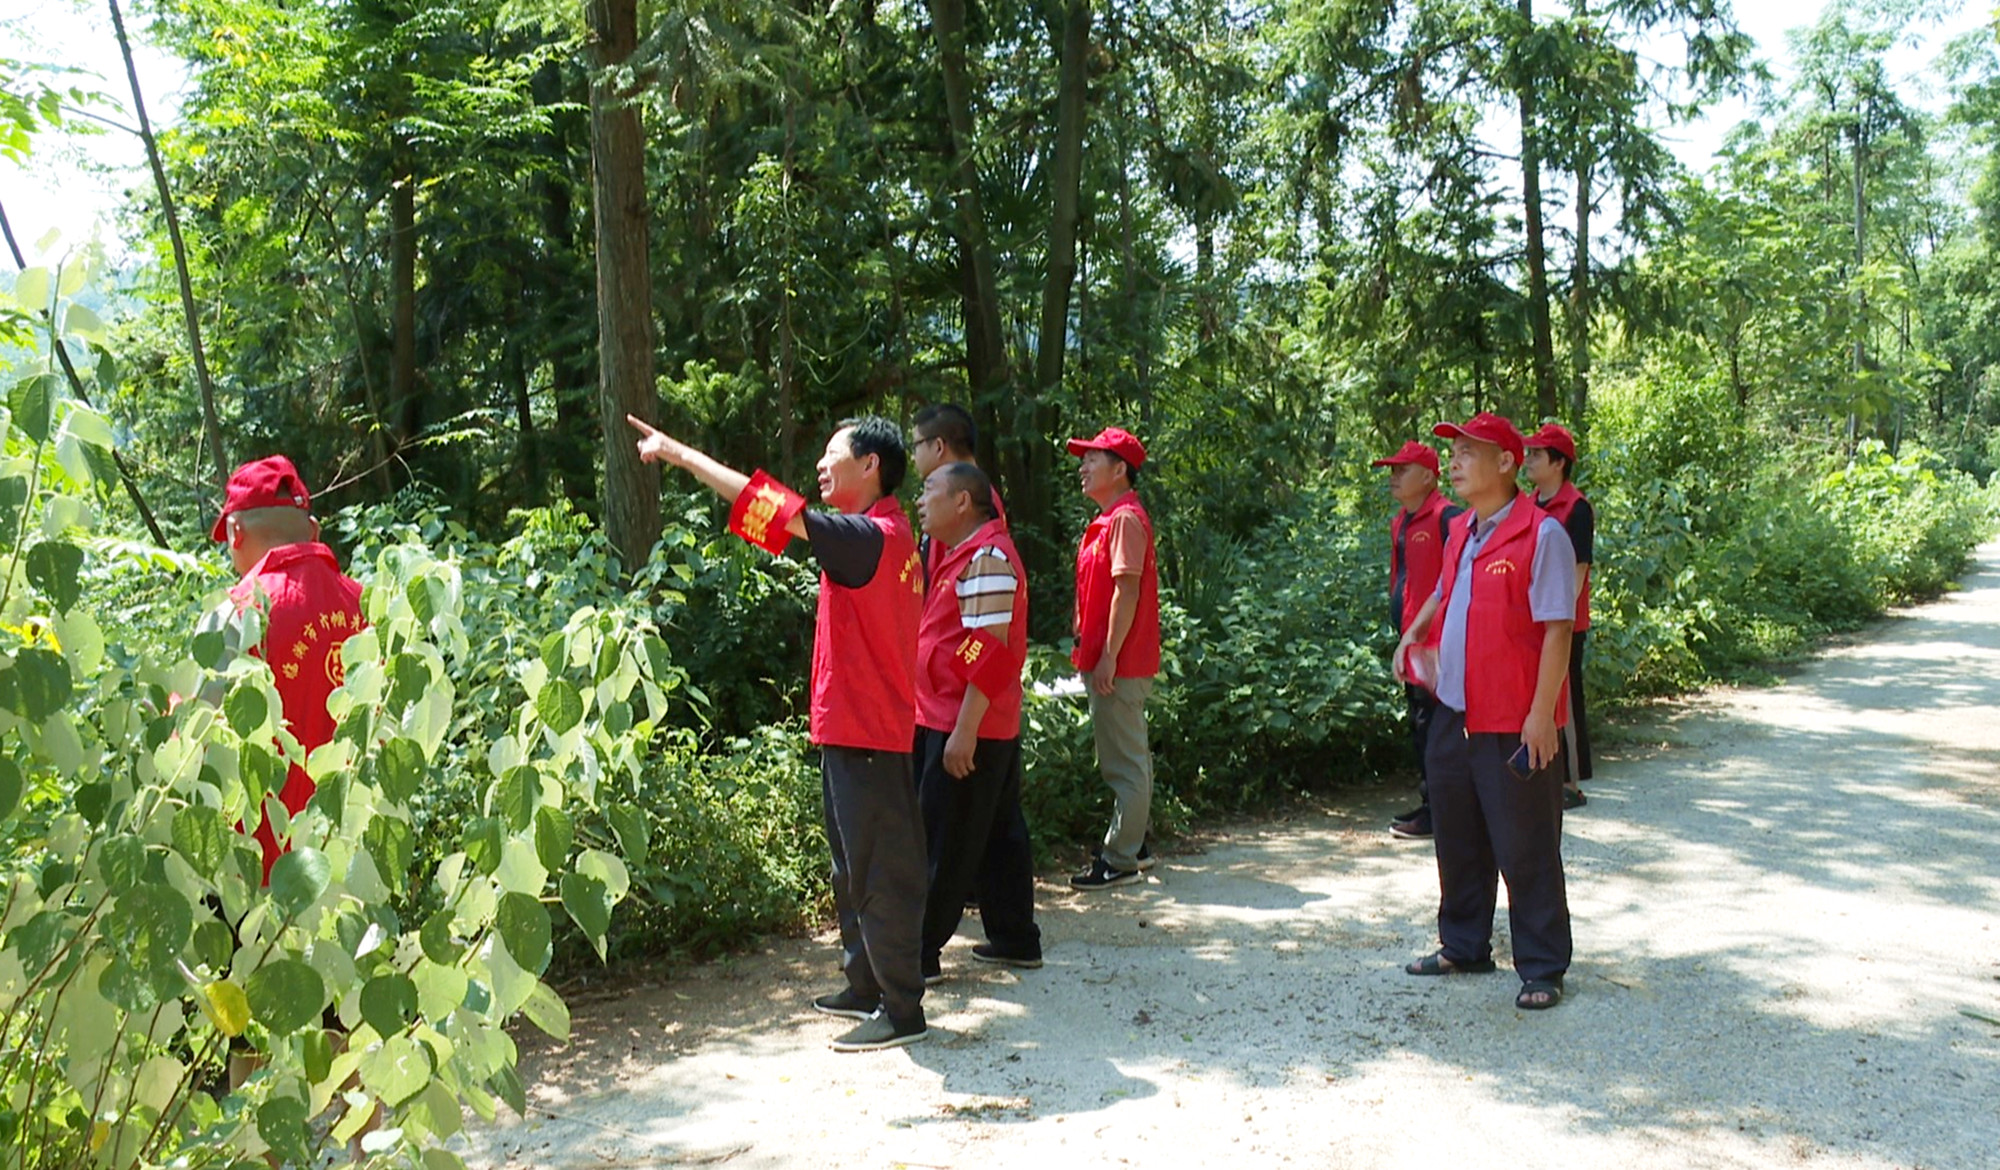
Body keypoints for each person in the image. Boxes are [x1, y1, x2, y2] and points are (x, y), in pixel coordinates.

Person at [628, 413, 928, 1052]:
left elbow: (765, 504)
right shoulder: (878, 536)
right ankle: (867, 986)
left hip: (869, 732)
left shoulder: (873, 535)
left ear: (870, 465)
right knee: (852, 867)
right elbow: (776, 520)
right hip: (853, 727)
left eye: (832, 453)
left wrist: (681, 454)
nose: (821, 466)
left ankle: (903, 1010)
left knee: (879, 870)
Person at [1393, 412, 1576, 1011]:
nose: (1456, 461)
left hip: (1512, 718)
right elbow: (1445, 594)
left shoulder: (1541, 534)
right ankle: (1464, 943)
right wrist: (1411, 637)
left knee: (1526, 844)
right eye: (1455, 452)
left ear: (1506, 462)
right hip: (1455, 710)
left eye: (1470, 452)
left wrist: (1541, 714)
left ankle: (1543, 965)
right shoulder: (1462, 532)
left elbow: (1557, 630)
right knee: (1457, 834)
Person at [200, 455, 365, 883]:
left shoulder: (234, 615)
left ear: (235, 534)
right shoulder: (369, 610)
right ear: (313, 530)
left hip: (251, 880)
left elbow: (196, 747)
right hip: (345, 872)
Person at [912, 461, 1042, 978]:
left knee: (941, 840)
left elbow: (985, 649)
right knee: (995, 832)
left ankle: (916, 953)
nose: (920, 501)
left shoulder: (986, 556)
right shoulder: (966, 553)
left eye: (928, 491)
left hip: (965, 720)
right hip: (975, 719)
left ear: (962, 501)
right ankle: (1014, 936)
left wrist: (964, 728)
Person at [1066, 426, 1161, 890]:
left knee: (1123, 764)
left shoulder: (1124, 518)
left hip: (1118, 665)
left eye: (1092, 459)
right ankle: (1135, 844)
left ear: (1120, 469)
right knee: (1129, 755)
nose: (1083, 467)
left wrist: (1107, 656)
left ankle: (1121, 858)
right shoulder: (1113, 518)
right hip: (1113, 660)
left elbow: (1127, 589)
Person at [1371, 440, 1461, 841]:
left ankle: (1442, 810)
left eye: (1402, 469)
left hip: (1437, 645)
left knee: (1436, 725)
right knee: (1420, 723)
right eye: (1392, 470)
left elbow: (1453, 583)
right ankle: (1433, 806)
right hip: (1410, 644)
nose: (1393, 477)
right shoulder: (1401, 522)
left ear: (1428, 476)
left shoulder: (1449, 518)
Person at [1523, 423, 1594, 811]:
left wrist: (1559, 614)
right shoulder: (1531, 504)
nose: (1528, 460)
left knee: (1567, 698)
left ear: (1559, 462)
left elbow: (1579, 571)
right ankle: (1545, 770)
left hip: (1566, 622)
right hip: (1535, 621)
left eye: (1536, 454)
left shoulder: (1577, 508)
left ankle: (1571, 782)